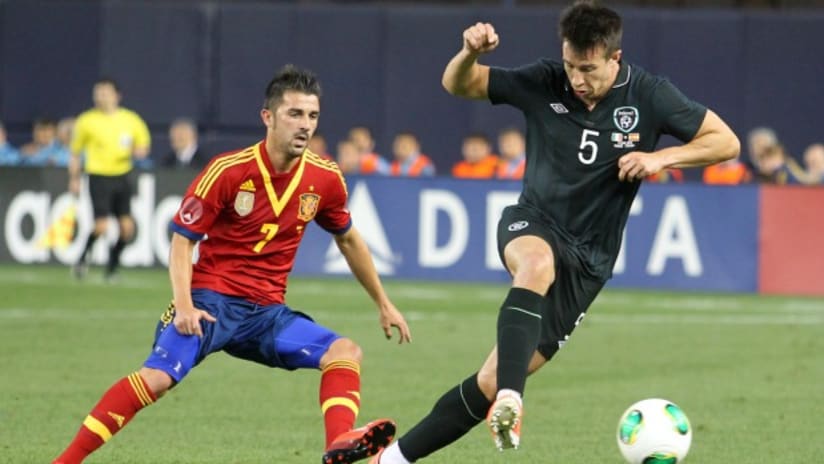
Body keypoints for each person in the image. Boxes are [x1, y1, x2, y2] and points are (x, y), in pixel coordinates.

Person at [371, 2, 739, 462]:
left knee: (487, 381)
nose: (577, 78)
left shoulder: (649, 95)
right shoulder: (545, 80)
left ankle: (392, 459)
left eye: (588, 69)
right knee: (536, 264)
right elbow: (457, 84)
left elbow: (726, 141)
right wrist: (468, 54)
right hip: (534, 222)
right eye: (571, 65)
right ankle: (513, 398)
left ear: (615, 59)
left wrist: (660, 158)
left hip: (590, 262)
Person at [52, 65, 411, 464]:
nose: (305, 125)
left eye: (312, 116)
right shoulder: (227, 170)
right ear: (268, 117)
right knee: (157, 379)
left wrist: (383, 302)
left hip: (266, 316)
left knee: (345, 351)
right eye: (294, 114)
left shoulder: (325, 178)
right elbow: (181, 241)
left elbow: (347, 238)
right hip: (210, 305)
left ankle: (338, 448)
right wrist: (185, 305)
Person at [68, 78, 151, 281]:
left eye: (105, 92)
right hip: (98, 176)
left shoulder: (131, 120)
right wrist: (74, 178)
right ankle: (81, 260)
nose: (100, 96)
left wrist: (138, 151)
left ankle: (112, 268)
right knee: (102, 226)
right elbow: (75, 152)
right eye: (98, 92)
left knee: (127, 228)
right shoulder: (86, 120)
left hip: (122, 175)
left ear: (117, 95)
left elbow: (143, 147)